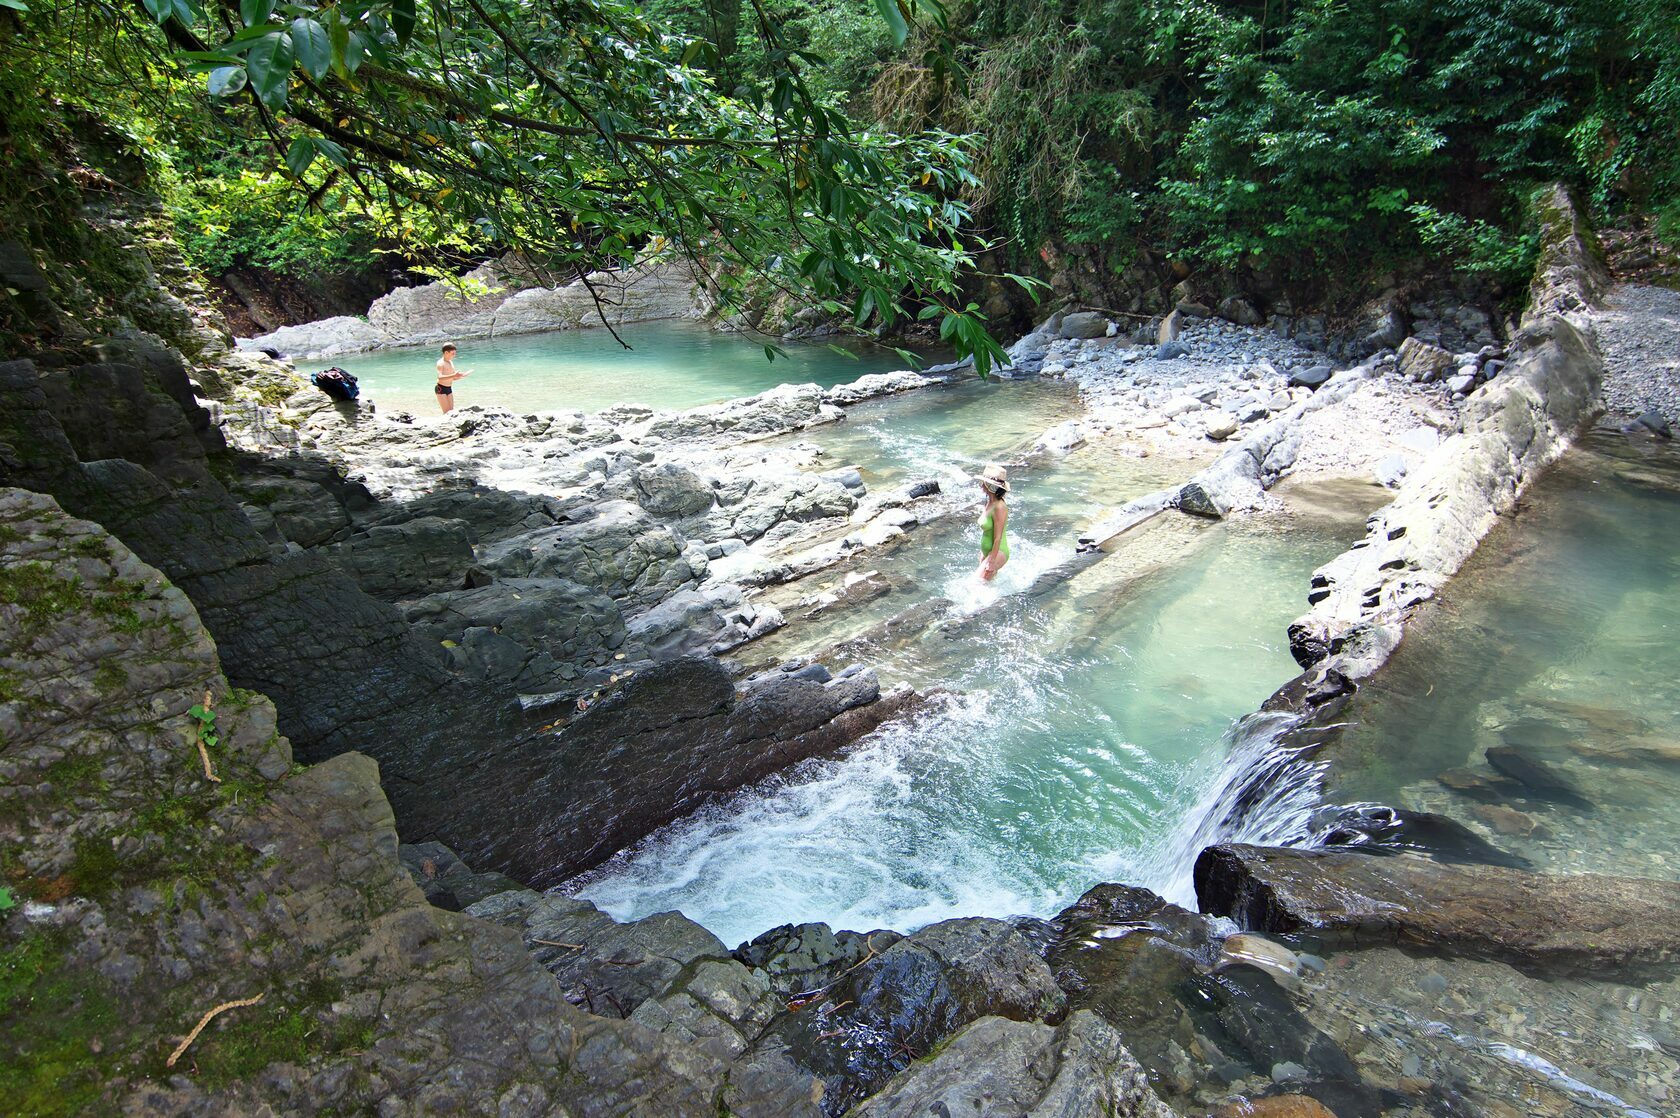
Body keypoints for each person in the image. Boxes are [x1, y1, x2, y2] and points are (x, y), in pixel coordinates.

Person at [975, 463, 1010, 581]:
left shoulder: (1000, 507)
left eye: (983, 482)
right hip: (987, 551)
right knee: (986, 587)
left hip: (998, 552)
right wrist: (983, 553)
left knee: (976, 584)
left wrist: (992, 560)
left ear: (989, 485)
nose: (981, 485)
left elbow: (997, 537)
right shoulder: (989, 502)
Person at [434, 343, 471, 413]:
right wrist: (454, 375)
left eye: (455, 353)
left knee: (451, 412)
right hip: (440, 388)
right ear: (446, 352)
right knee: (446, 412)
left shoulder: (450, 362)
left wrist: (462, 376)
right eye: (452, 353)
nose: (454, 355)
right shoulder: (440, 363)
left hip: (449, 388)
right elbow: (440, 377)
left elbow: (452, 378)